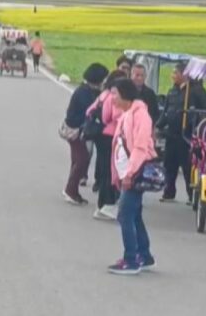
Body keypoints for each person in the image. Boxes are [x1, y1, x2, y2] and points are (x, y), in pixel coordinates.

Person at [108, 79, 157, 275]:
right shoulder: (127, 114)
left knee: (124, 214)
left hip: (135, 171)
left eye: (115, 94)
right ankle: (144, 254)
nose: (112, 98)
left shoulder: (140, 115)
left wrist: (129, 174)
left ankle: (131, 259)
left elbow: (140, 147)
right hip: (128, 171)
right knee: (134, 214)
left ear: (125, 95)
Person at [156, 62, 206, 203]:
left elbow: (205, 112)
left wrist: (198, 129)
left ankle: (191, 194)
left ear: (185, 74)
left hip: (187, 135)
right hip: (172, 134)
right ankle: (169, 191)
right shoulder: (172, 92)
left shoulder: (197, 91)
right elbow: (166, 112)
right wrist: (158, 126)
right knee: (169, 164)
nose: (173, 76)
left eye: (175, 73)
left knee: (188, 166)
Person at [62, 63, 110, 205]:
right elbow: (90, 111)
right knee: (82, 160)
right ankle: (70, 190)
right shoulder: (84, 93)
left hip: (76, 129)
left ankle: (73, 190)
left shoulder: (87, 90)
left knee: (78, 160)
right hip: (74, 130)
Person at [87, 70, 127, 220]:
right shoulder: (113, 97)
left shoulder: (103, 95)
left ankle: (103, 204)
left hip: (102, 135)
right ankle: (106, 204)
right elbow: (109, 116)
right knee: (110, 172)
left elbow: (89, 111)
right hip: (110, 136)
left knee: (106, 170)